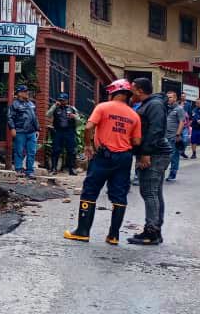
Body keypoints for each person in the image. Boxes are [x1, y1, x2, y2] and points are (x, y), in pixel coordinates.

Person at [64, 79, 141, 244]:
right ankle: (113, 236)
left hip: (103, 156)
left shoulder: (103, 107)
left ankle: (83, 231)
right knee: (119, 195)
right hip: (124, 158)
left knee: (90, 191)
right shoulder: (134, 115)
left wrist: (88, 145)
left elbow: (88, 127)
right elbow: (136, 141)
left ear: (113, 92)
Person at [128, 78, 172, 246]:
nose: (131, 94)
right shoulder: (149, 104)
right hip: (155, 153)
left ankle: (151, 232)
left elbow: (156, 130)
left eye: (133, 90)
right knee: (154, 192)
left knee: (149, 192)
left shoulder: (154, 105)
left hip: (155, 154)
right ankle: (155, 229)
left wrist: (146, 153)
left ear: (139, 90)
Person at [8, 84, 39, 179]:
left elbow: (34, 117)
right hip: (20, 131)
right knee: (19, 151)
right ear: (20, 93)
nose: (27, 93)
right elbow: (10, 117)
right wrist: (12, 128)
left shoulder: (31, 104)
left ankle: (30, 171)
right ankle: (18, 169)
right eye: (25, 92)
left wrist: (37, 129)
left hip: (31, 132)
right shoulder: (14, 104)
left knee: (32, 151)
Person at [46, 92, 80, 175]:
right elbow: (48, 115)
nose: (61, 101)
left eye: (63, 100)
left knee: (71, 151)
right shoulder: (55, 108)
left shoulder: (72, 109)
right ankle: (54, 169)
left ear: (67, 100)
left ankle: (71, 169)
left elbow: (79, 122)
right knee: (56, 150)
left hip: (69, 132)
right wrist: (54, 106)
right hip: (58, 132)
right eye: (60, 100)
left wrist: (74, 117)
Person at [164, 91, 187, 182]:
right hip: (165, 136)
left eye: (170, 97)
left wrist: (178, 134)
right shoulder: (166, 108)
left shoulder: (179, 109)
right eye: (167, 97)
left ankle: (173, 173)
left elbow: (182, 122)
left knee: (173, 155)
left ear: (175, 98)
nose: (168, 99)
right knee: (165, 155)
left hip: (174, 136)